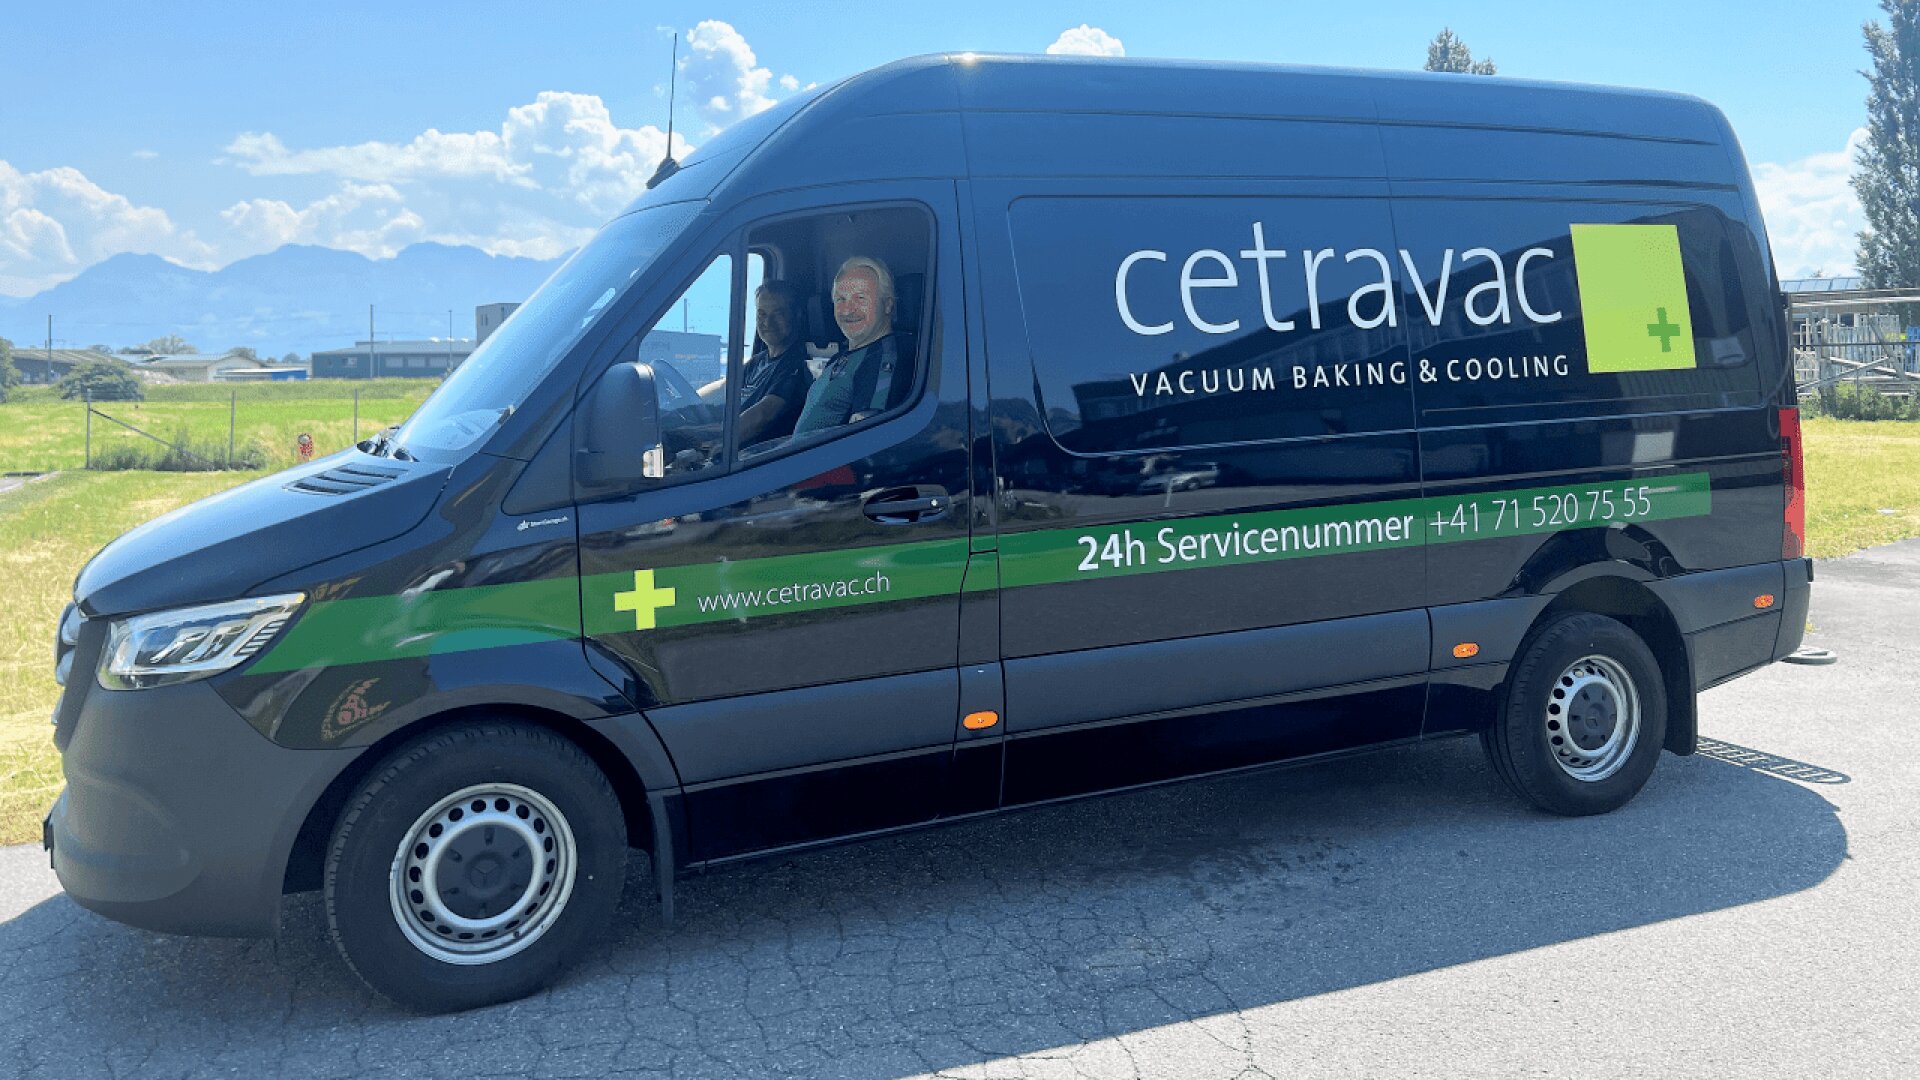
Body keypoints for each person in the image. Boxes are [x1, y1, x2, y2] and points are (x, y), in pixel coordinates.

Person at [792, 255, 902, 436]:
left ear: (888, 304)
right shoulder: (843, 356)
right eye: (841, 299)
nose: (847, 310)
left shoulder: (880, 358)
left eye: (860, 298)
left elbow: (865, 439)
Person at [732, 280, 813, 446]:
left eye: (778, 314)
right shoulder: (755, 363)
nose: (768, 323)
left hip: (764, 456)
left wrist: (721, 440)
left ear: (796, 315)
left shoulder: (799, 364)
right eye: (762, 314)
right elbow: (726, 406)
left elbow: (764, 415)